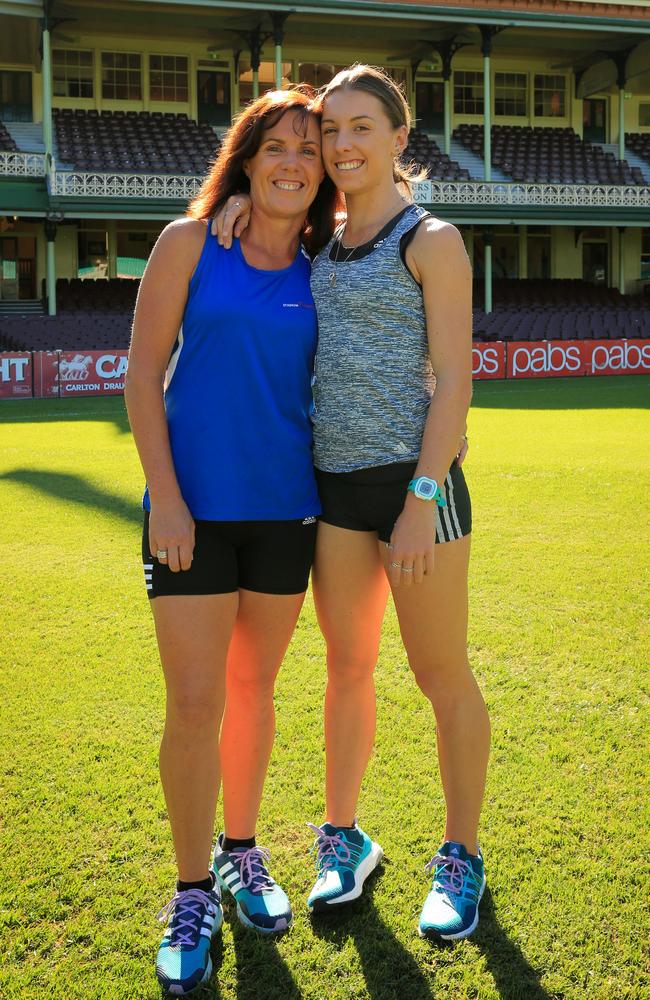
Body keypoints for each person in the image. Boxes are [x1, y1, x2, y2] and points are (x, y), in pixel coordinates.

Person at [215, 64, 490, 942]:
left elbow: (457, 380)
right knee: (347, 669)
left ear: (400, 138)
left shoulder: (431, 239)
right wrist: (233, 215)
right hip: (333, 491)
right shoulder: (319, 244)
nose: (340, 145)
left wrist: (420, 497)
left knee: (442, 676)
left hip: (419, 491)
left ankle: (461, 856)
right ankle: (345, 837)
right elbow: (258, 242)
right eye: (331, 129)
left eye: (361, 127)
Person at [125, 88, 336, 996]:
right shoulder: (190, 243)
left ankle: (242, 851)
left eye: (309, 148)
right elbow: (140, 376)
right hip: (192, 514)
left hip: (287, 511)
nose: (293, 160)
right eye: (275, 146)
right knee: (195, 702)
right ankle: (189, 891)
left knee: (254, 691)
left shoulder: (329, 262)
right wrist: (166, 498)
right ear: (246, 158)